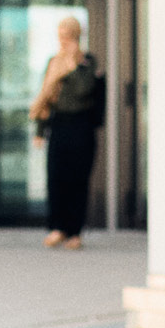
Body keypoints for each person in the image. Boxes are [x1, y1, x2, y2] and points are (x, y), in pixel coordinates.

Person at [32, 16, 104, 250]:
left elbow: (84, 90)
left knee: (78, 179)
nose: (63, 42)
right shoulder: (54, 62)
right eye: (61, 37)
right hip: (59, 125)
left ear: (76, 37)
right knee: (56, 177)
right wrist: (40, 131)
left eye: (68, 37)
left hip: (81, 127)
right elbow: (46, 98)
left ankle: (75, 231)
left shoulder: (87, 63)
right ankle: (57, 227)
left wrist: (72, 66)